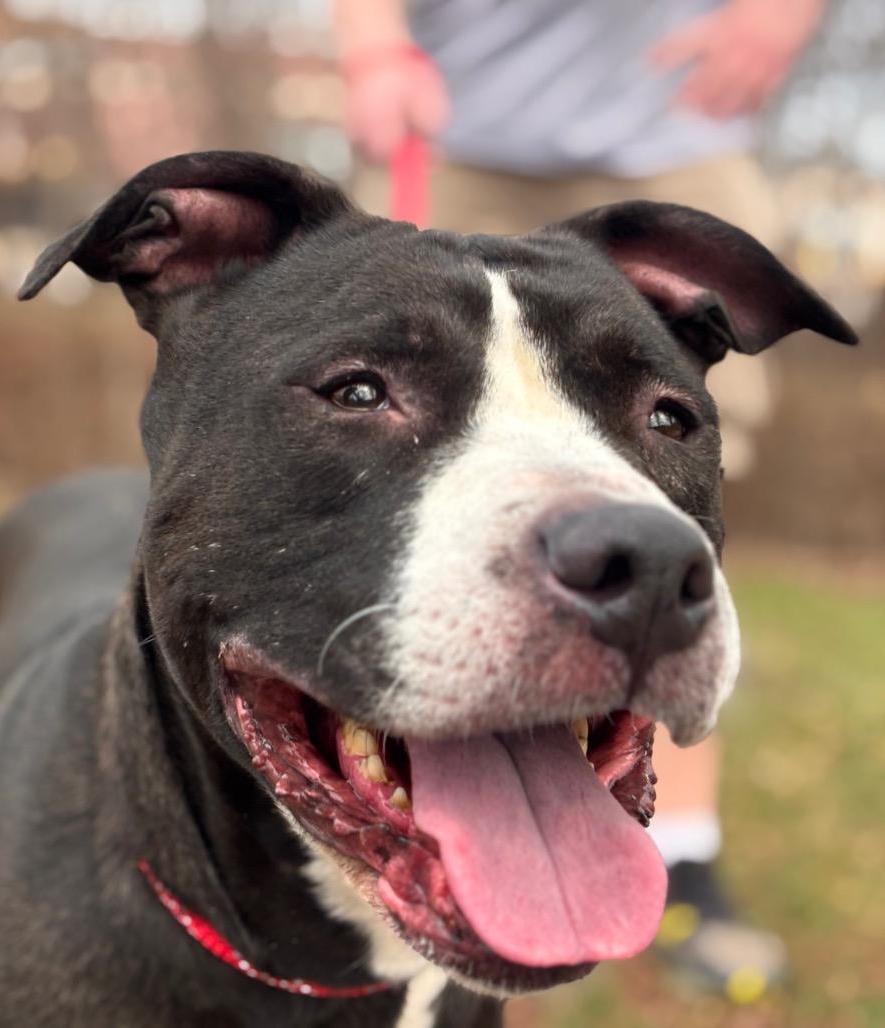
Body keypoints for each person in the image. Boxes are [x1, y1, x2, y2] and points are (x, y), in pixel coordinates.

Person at [332, 0, 830, 1001]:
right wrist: (370, 40)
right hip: (457, 128)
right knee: (384, 460)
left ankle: (676, 847)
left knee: (669, 532)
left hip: (668, 138)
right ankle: (373, 801)